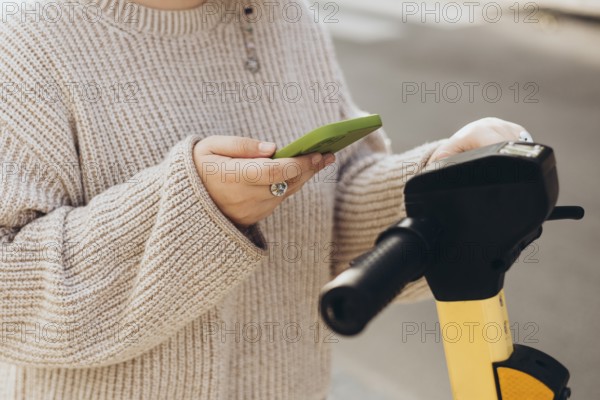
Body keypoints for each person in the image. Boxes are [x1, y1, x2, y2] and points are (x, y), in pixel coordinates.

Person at [0, 0, 529, 398]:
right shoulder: (25, 38)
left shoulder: (285, 16)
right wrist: (195, 215)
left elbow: (326, 211)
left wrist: (440, 192)